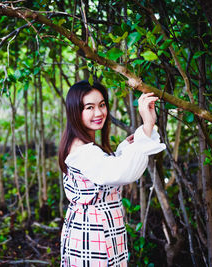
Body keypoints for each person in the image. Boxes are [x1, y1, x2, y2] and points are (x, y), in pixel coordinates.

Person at [58, 80, 166, 267]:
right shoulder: (82, 151)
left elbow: (109, 169)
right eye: (89, 107)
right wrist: (147, 124)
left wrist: (136, 139)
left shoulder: (83, 146)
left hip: (98, 230)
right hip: (92, 235)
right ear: (76, 111)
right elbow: (122, 172)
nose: (99, 113)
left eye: (101, 105)